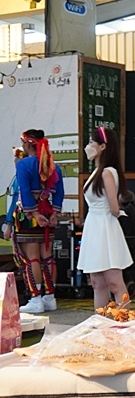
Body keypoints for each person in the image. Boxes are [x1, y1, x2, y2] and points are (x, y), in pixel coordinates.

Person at [76, 126, 133, 309]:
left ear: (102, 146)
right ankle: (99, 322)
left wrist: (117, 213)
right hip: (95, 227)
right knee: (97, 282)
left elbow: (113, 207)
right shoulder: (98, 171)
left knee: (114, 281)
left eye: (91, 142)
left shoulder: (107, 172)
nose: (88, 146)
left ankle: (125, 320)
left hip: (105, 227)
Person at [15, 131, 65, 314]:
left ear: (26, 143)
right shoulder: (54, 166)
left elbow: (25, 191)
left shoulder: (24, 165)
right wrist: (55, 214)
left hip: (30, 215)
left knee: (32, 257)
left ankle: (35, 297)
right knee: (48, 256)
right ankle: (50, 297)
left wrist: (34, 214)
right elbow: (59, 192)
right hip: (48, 211)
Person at [2, 147, 23, 241]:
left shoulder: (20, 178)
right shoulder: (18, 177)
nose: (14, 161)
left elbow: (15, 201)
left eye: (17, 158)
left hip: (21, 219)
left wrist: (9, 224)